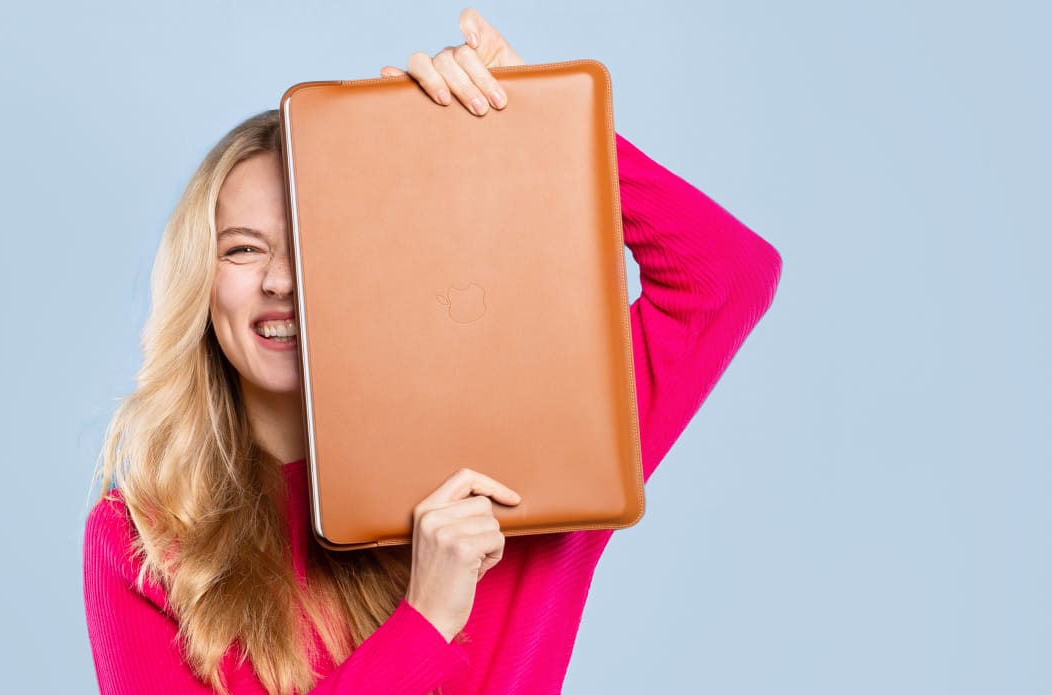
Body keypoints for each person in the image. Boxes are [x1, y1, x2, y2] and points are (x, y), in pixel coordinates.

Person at [83, 8, 782, 695]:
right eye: (242, 248)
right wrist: (425, 622)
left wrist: (539, 125)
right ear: (198, 283)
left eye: (317, 244)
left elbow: (725, 277)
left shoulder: (534, 466)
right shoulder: (138, 541)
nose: (282, 280)